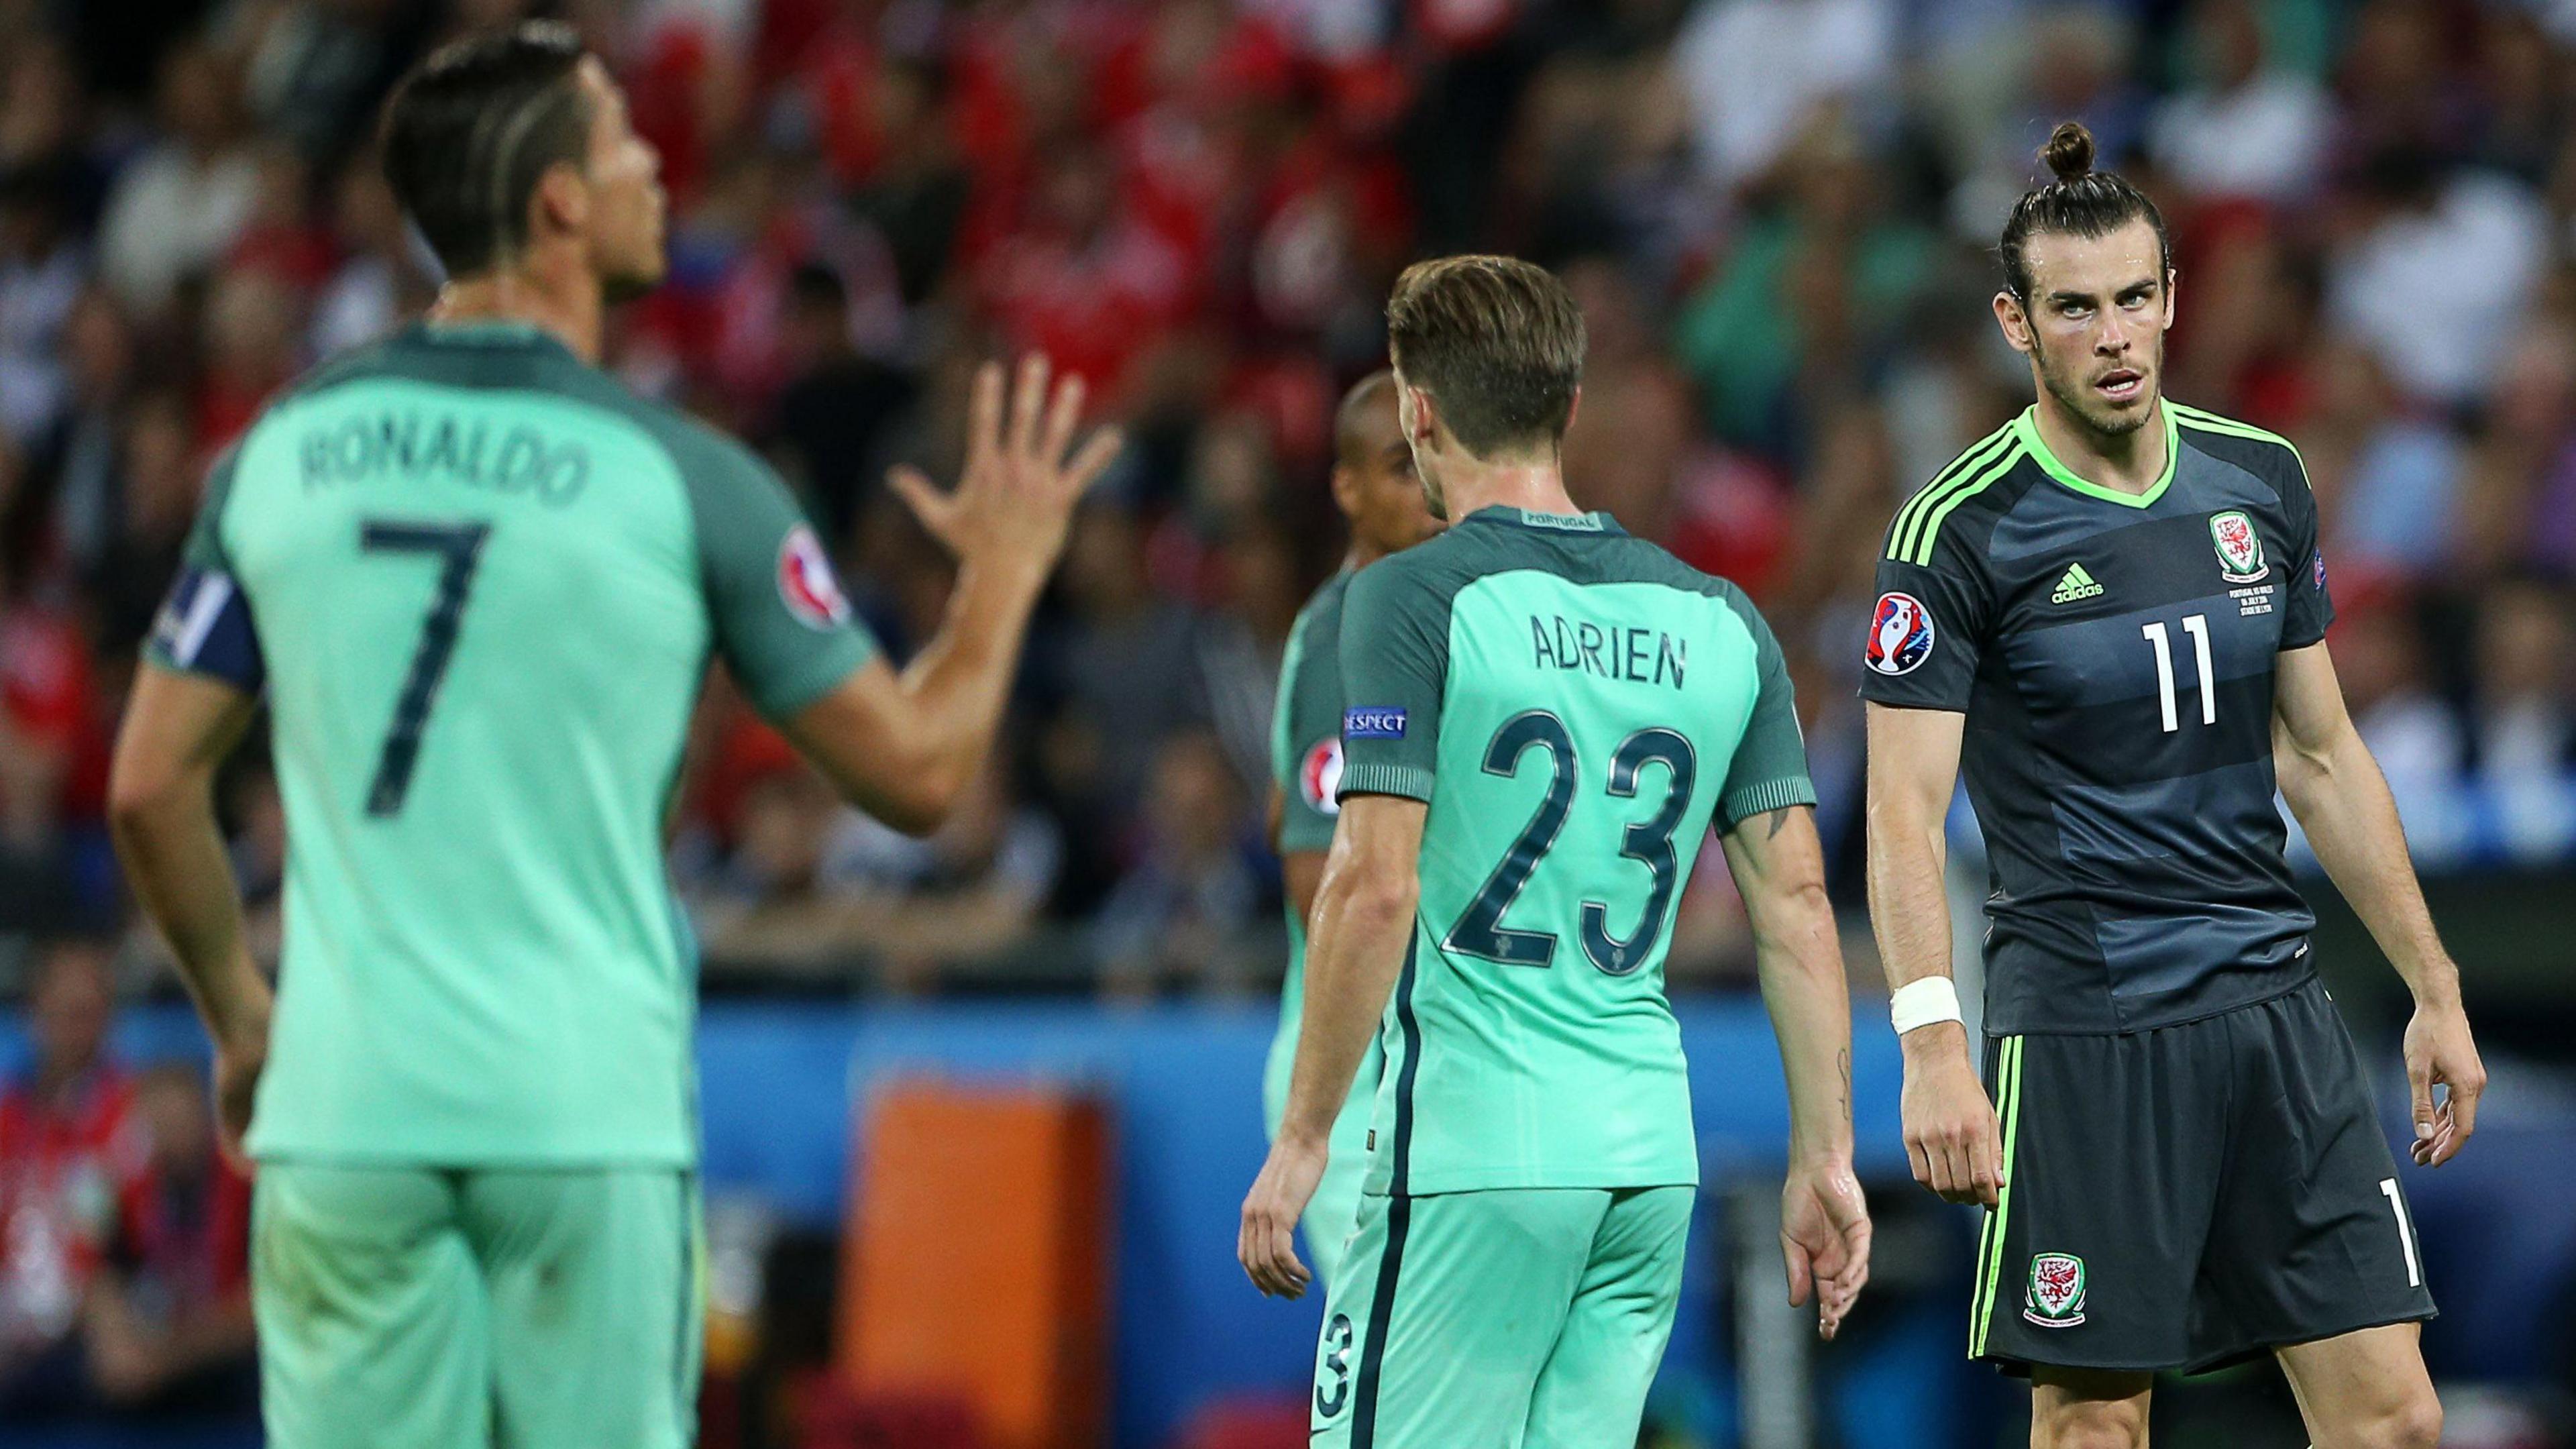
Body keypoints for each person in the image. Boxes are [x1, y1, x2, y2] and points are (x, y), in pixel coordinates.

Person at [105, 22, 1118, 1449]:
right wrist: (1003, 578)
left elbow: (151, 785)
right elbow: (923, 773)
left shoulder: (281, 452)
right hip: (578, 1112)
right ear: (563, 202)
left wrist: (240, 1012)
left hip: (344, 1111)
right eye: (627, 144)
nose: (657, 171)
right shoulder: (684, 477)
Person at [1861, 122, 2481, 1449]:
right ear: (2017, 326)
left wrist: (2432, 984)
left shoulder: (2262, 480)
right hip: (2090, 1026)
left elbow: (2319, 757)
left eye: (2136, 297)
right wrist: (1931, 1046)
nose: (2115, 334)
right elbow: (1903, 817)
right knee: (2097, 1432)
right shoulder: (1957, 534)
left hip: (2273, 1007)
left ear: (2172, 298)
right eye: (2076, 308)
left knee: (2398, 1422)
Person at [1238, 256, 1872, 1449]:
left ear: (1418, 413)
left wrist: (1307, 1136)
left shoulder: (1411, 601)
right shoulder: (1722, 619)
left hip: (1476, 1157)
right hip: (1646, 1165)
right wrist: (1823, 1155)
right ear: (1570, 409)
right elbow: (1796, 908)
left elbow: (1370, 888)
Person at [1259, 369, 1440, 1295]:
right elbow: (1312, 873)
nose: (1429, 491)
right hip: (1354, 1068)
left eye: (1437, 462)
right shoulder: (1344, 636)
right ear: (1347, 490)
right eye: (1401, 468)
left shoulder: (1433, 617)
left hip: (1421, 1057)